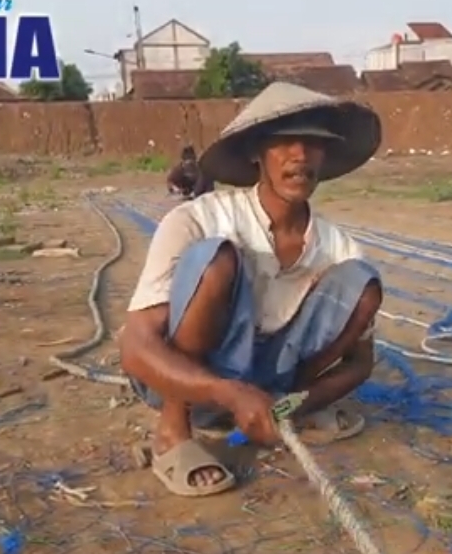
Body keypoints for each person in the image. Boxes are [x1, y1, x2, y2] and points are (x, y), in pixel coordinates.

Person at [120, 82, 384, 497]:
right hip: (186, 384)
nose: (299, 155)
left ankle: (279, 411)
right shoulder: (197, 220)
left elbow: (360, 364)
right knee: (216, 259)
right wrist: (228, 392)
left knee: (363, 282)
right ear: (255, 153)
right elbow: (135, 348)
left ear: (325, 155)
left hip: (271, 386)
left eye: (312, 143)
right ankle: (173, 431)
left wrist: (297, 402)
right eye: (284, 143)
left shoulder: (339, 248)